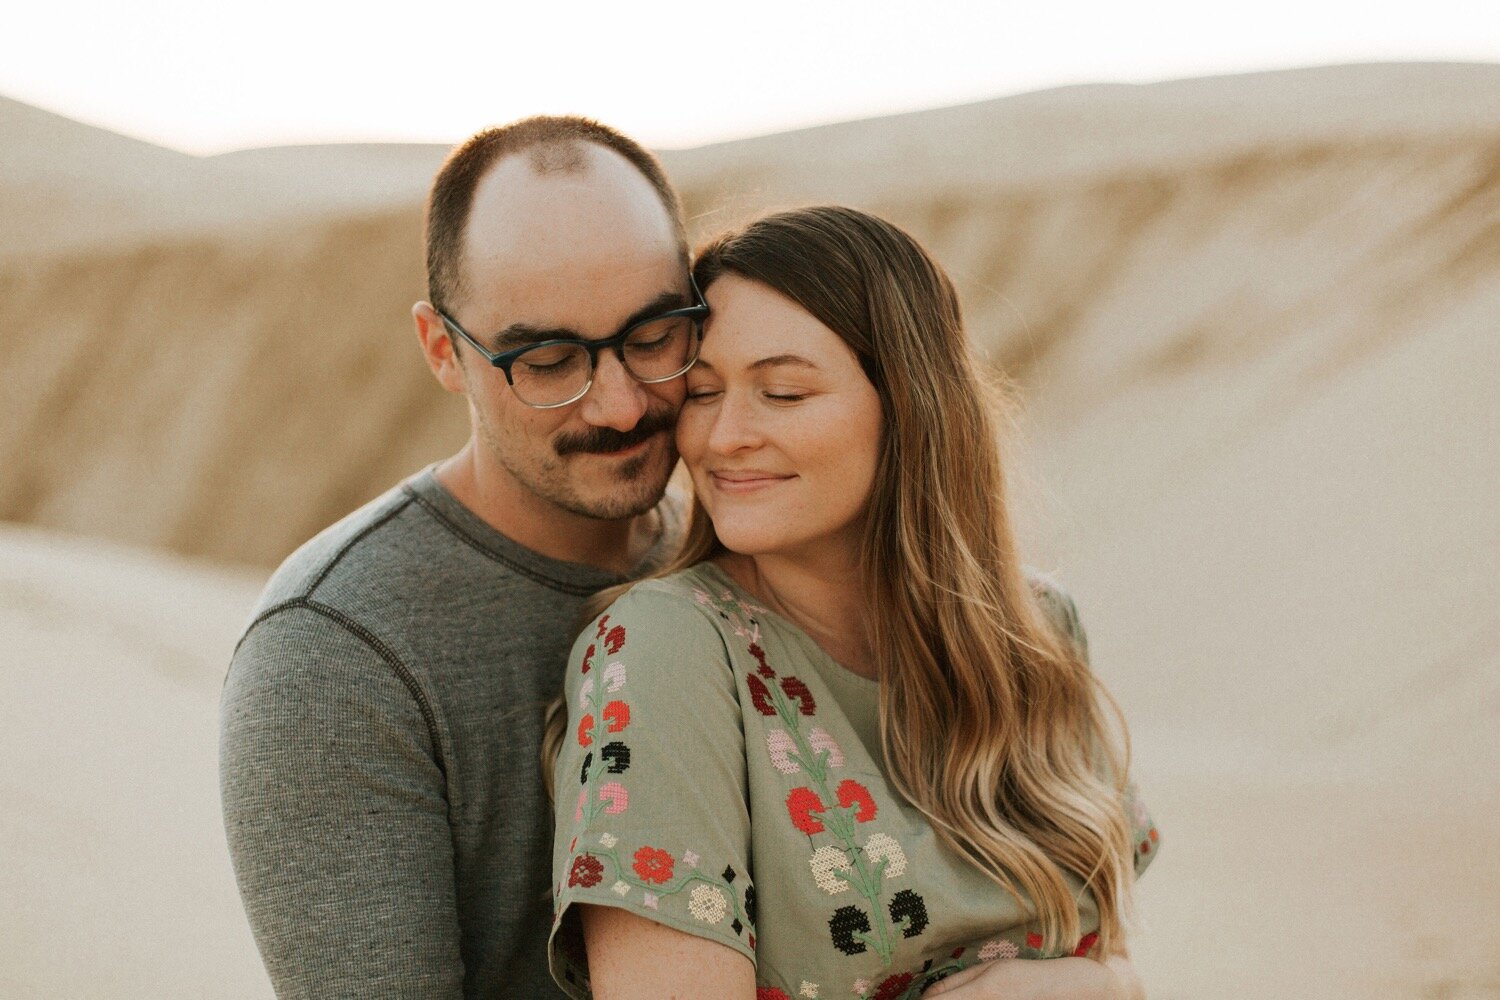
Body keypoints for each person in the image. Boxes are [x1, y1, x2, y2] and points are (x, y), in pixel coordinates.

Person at [546, 206, 1161, 1000]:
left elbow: (1111, 946)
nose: (725, 435)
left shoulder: (1037, 632)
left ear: (908, 406)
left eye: (784, 392)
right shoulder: (665, 651)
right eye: (701, 393)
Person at [218, 115, 704, 998]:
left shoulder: (735, 548)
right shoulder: (335, 652)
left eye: (654, 335)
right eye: (550, 359)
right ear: (444, 349)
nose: (623, 405)